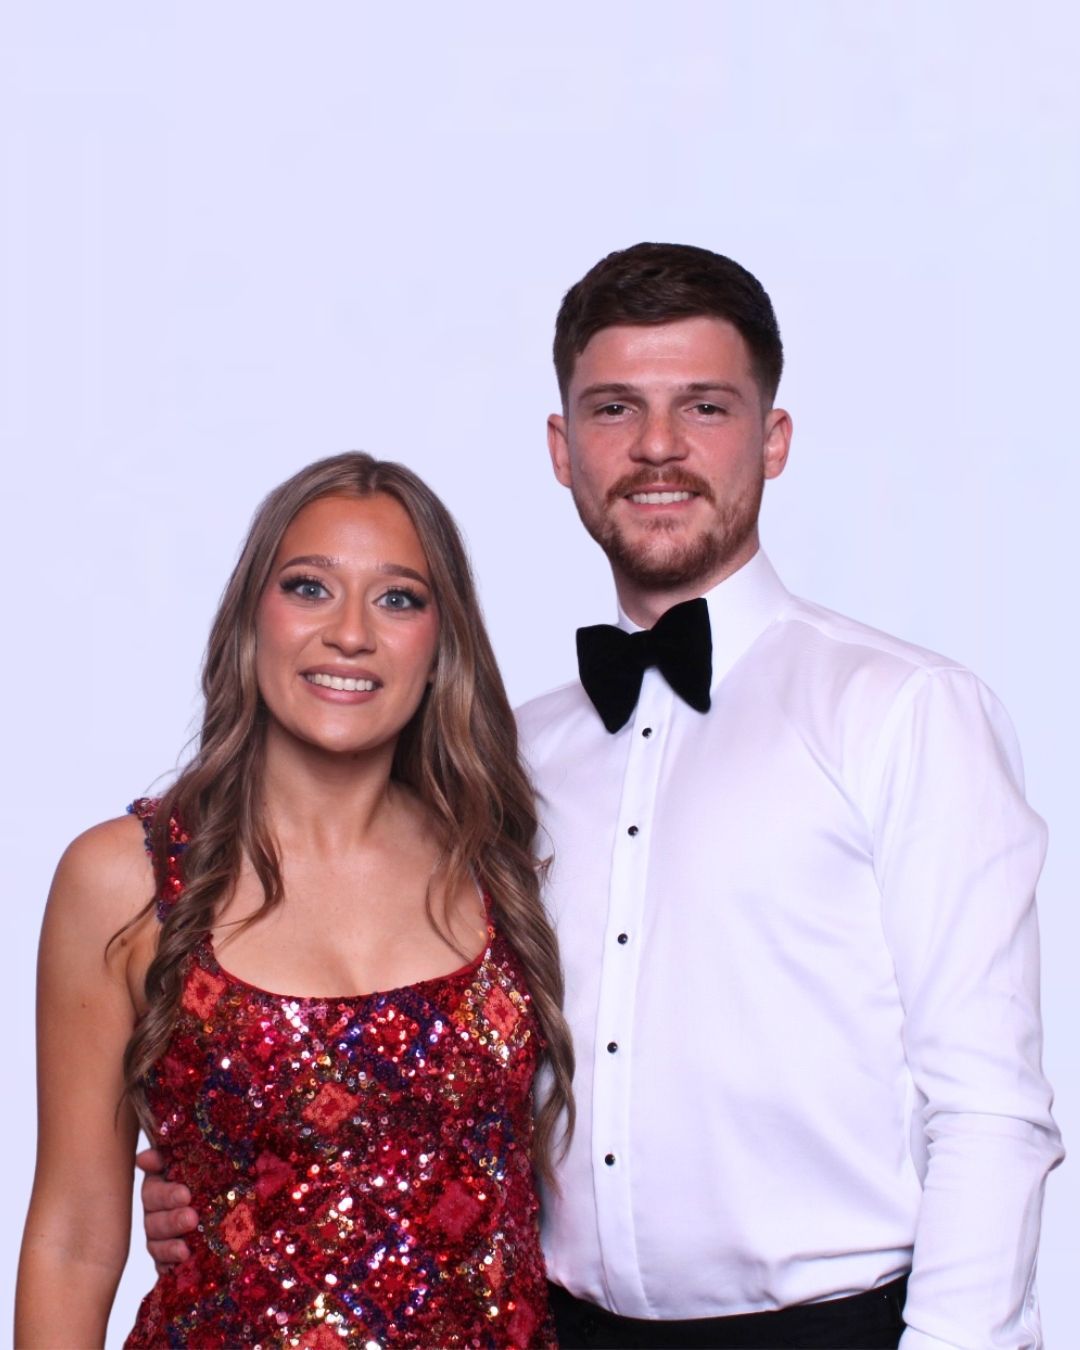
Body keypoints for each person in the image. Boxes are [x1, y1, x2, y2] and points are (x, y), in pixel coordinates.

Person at [142, 244, 1063, 1349]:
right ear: (563, 447)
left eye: (705, 407)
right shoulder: (507, 760)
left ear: (773, 440)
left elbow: (991, 1107)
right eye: (616, 408)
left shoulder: (903, 712)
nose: (658, 445)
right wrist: (233, 1173)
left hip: (837, 1327)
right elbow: (419, 1044)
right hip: (553, 1329)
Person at [16, 453, 573, 1349]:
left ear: (443, 646)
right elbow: (74, 1236)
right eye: (310, 587)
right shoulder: (125, 878)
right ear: (251, 616)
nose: (350, 633)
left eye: (398, 599)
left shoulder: (503, 863)